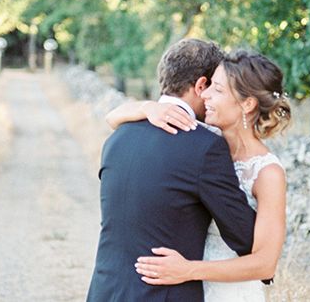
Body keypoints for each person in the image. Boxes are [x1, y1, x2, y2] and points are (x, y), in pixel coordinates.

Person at [86, 39, 257, 302]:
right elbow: (245, 237)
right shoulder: (205, 147)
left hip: (105, 291)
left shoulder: (118, 137)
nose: (213, 97)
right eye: (215, 87)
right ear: (201, 85)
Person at [114, 49, 292, 302]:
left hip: (228, 291)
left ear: (247, 104)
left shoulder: (267, 173)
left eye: (217, 90)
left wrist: (189, 269)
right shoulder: (198, 143)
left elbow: (265, 264)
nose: (204, 94)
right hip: (183, 290)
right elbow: (112, 118)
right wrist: (149, 108)